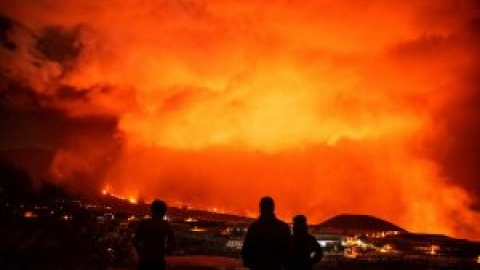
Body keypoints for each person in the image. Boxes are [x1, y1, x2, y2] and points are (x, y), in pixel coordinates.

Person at [242, 196, 291, 270]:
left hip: (258, 266)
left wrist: (250, 263)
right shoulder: (282, 227)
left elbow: (246, 249)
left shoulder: (254, 227)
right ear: (273, 208)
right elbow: (288, 251)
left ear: (260, 208)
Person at [133, 200, 176, 270]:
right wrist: (163, 251)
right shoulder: (165, 225)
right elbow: (173, 244)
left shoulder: (144, 223)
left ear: (152, 210)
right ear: (164, 211)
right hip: (158, 261)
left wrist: (141, 252)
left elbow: (135, 241)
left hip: (145, 261)